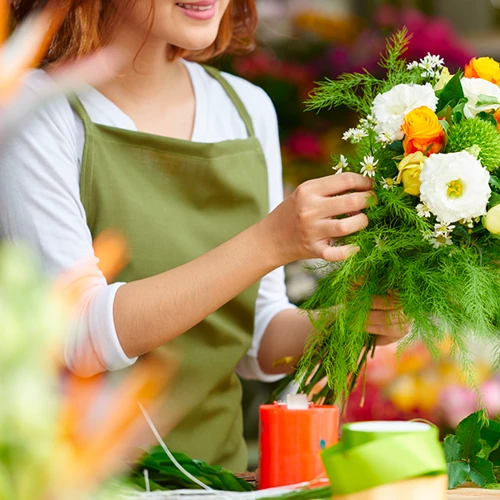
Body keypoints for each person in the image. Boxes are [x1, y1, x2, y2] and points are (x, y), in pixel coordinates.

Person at [0, 0, 409, 471]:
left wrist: (355, 320)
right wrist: (271, 241)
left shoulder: (246, 108)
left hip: (220, 479)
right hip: (83, 482)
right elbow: (79, 337)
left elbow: (257, 340)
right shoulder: (37, 110)